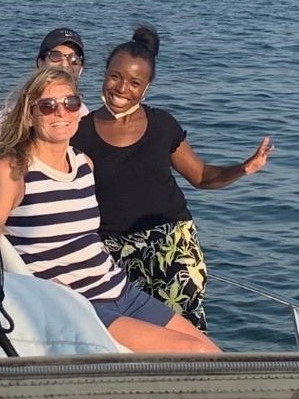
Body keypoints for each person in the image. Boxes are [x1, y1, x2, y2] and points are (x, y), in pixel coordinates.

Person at [0, 66, 220, 353]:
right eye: (48, 106)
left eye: (71, 104)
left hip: (120, 289)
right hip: (79, 305)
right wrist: (29, 292)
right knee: (197, 355)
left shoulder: (84, 164)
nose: (61, 113)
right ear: (30, 114)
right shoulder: (13, 170)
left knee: (216, 355)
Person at [70, 25, 272, 332]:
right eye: (116, 76)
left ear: (147, 87)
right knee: (127, 339)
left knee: (183, 333)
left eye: (135, 82)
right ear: (105, 73)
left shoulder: (162, 125)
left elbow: (202, 176)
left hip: (171, 244)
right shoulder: (79, 131)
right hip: (111, 251)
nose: (122, 88)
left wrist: (244, 167)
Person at [0, 27, 90, 147]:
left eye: (73, 59)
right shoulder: (17, 109)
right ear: (40, 63)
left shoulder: (83, 114)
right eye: (55, 56)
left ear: (80, 70)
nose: (64, 64)